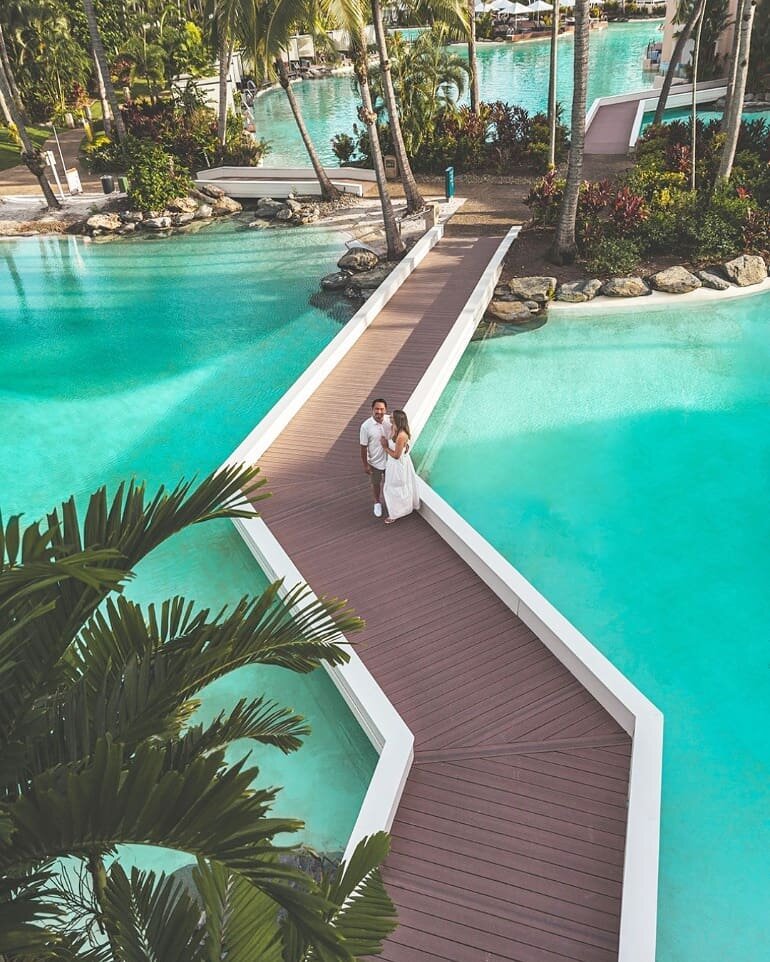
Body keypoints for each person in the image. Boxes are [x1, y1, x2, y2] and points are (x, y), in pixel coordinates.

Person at [380, 409, 420, 524]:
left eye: (392, 417)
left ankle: (395, 514)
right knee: (392, 487)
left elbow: (396, 455)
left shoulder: (401, 435)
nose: (390, 418)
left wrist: (385, 447)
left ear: (397, 420)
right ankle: (399, 509)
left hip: (397, 464)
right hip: (393, 463)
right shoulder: (394, 428)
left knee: (394, 487)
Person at [359, 398, 390, 518]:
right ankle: (377, 502)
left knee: (390, 483)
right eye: (376, 409)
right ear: (372, 410)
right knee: (376, 483)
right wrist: (365, 465)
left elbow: (401, 431)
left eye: (382, 409)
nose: (379, 411)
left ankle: (390, 502)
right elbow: (363, 447)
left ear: (385, 409)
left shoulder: (390, 421)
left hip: (390, 460)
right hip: (375, 462)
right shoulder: (366, 427)